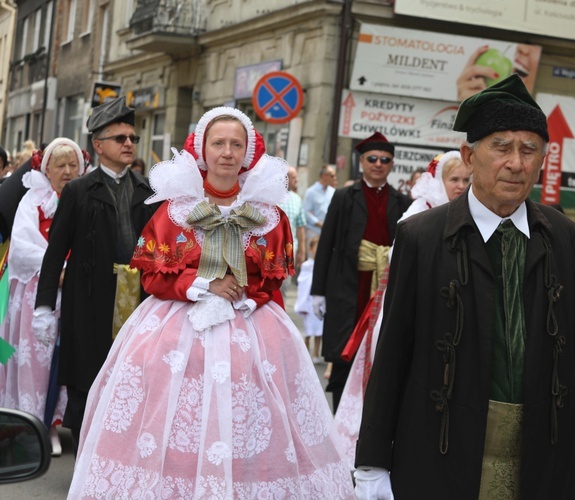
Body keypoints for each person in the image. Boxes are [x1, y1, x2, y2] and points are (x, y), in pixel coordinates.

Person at [67, 107, 352, 498]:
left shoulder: (268, 214)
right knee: (179, 423)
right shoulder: (175, 208)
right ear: (202, 148)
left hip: (251, 330)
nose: (227, 152)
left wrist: (247, 294)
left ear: (249, 151)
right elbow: (152, 275)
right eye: (218, 143)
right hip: (178, 327)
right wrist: (203, 284)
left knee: (247, 423)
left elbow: (273, 279)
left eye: (237, 144)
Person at [354, 74, 575, 498]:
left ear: (542, 160)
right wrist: (372, 460)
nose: (516, 162)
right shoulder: (421, 236)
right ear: (469, 156)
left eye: (529, 150)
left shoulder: (561, 235)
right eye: (502, 147)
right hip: (443, 447)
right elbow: (393, 353)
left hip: (543, 452)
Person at [33, 96, 157, 450]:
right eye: (120, 138)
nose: (129, 144)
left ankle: (125, 453)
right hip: (88, 298)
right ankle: (88, 458)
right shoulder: (78, 191)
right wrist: (44, 306)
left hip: (138, 300)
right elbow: (55, 252)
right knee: (88, 377)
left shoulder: (148, 190)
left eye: (132, 138)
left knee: (134, 377)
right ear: (98, 145)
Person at [334, 150, 471, 467]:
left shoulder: (467, 214)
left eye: (467, 179)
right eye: (454, 179)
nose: (461, 186)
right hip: (412, 306)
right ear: (439, 181)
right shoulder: (417, 214)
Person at [310, 132, 411, 412]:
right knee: (345, 350)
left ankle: (371, 417)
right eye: (372, 159)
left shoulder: (402, 202)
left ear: (391, 165)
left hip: (384, 287)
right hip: (347, 286)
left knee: (380, 351)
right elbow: (326, 243)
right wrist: (318, 292)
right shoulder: (344, 197)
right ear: (362, 162)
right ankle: (340, 412)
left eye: (385, 160)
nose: (378, 164)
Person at [0, 138, 86, 456]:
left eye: (72, 164)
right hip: (37, 291)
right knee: (37, 360)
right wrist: (57, 270)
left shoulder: (85, 198)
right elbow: (22, 246)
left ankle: (59, 421)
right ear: (46, 169)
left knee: (66, 361)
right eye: (59, 165)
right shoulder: (33, 201)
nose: (66, 171)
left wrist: (71, 270)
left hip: (75, 292)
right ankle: (35, 424)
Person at [294, 236, 324, 363]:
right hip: (308, 301)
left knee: (319, 330)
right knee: (308, 330)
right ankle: (305, 352)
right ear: (311, 249)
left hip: (320, 302)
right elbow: (303, 284)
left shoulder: (323, 264)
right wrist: (302, 304)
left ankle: (316, 353)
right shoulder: (306, 265)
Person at [278, 165, 306, 268]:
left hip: (290, 251)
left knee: (286, 283)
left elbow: (300, 227)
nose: (297, 180)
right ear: (285, 178)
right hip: (271, 250)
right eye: (294, 177)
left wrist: (302, 251)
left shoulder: (297, 199)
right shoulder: (271, 197)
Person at [302, 164, 336, 240]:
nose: (334, 178)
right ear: (324, 176)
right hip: (314, 231)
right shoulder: (311, 192)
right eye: (332, 176)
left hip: (328, 232)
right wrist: (320, 224)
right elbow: (306, 212)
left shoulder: (333, 192)